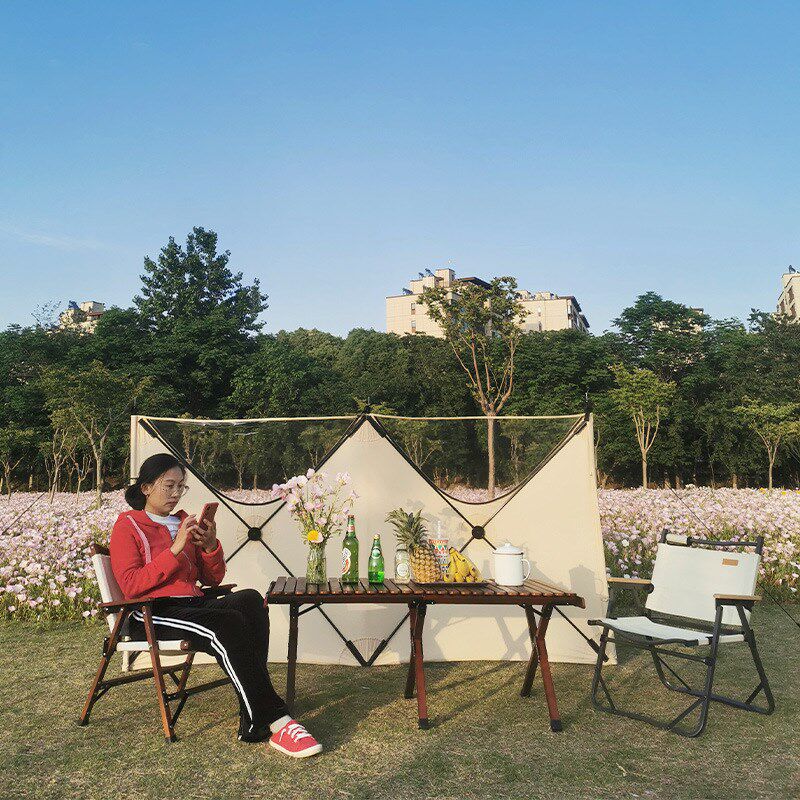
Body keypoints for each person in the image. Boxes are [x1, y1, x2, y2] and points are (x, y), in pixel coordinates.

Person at [110, 453, 322, 758]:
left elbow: (212, 578)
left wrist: (210, 546)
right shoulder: (128, 526)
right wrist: (176, 548)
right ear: (145, 488)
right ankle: (276, 719)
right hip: (152, 612)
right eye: (168, 486)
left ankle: (253, 718)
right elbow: (131, 585)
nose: (175, 493)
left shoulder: (183, 522)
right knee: (226, 623)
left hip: (193, 604)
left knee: (250, 601)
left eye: (181, 487)